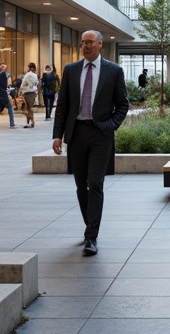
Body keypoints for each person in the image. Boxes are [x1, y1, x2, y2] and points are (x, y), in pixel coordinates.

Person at [52, 30, 130, 256]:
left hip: (100, 135)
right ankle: (90, 226)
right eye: (83, 42)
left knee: (95, 183)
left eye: (90, 42)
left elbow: (122, 105)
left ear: (100, 44)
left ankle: (91, 236)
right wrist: (58, 135)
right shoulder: (71, 70)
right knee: (80, 186)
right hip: (76, 135)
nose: (85, 46)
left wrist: (110, 125)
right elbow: (63, 105)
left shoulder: (113, 71)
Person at [18, 62, 39, 128]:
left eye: (28, 67)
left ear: (31, 68)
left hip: (28, 92)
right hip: (32, 92)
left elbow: (25, 83)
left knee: (28, 108)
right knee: (28, 108)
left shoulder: (29, 75)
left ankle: (32, 121)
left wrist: (21, 90)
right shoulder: (35, 75)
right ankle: (29, 122)